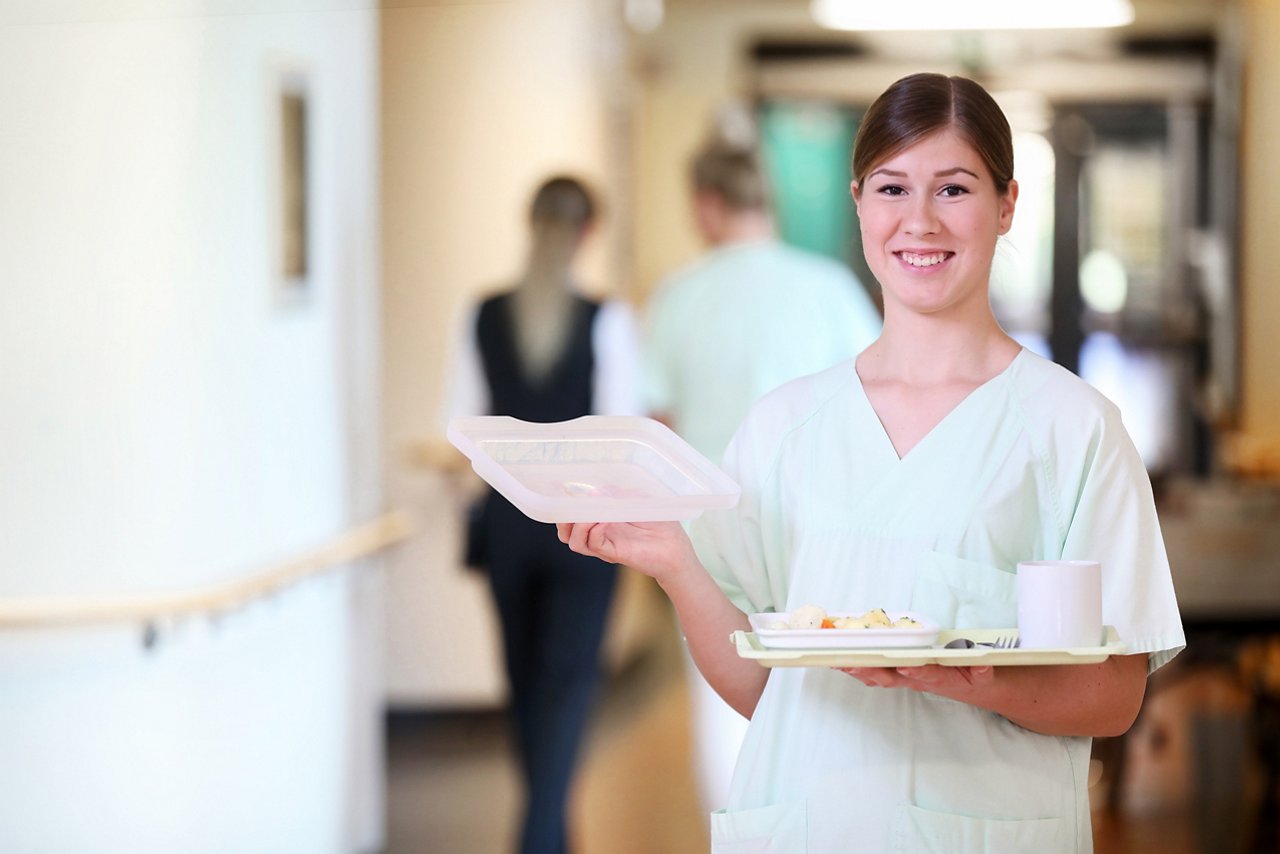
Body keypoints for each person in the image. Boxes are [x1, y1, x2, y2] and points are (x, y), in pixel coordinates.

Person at [557, 73, 1185, 852]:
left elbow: (1114, 697)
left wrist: (973, 680)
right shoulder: (785, 426)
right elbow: (765, 689)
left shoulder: (1072, 430)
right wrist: (675, 564)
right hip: (803, 827)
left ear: (1008, 205)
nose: (918, 221)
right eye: (892, 188)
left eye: (953, 189)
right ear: (858, 202)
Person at [643, 133, 882, 813]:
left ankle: (743, 830)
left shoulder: (675, 297)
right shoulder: (828, 287)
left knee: (721, 695)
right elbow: (878, 405)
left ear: (706, 204)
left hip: (706, 528)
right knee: (823, 685)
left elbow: (657, 425)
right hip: (818, 521)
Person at [443, 175, 642, 854]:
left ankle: (548, 834)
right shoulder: (605, 321)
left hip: (505, 531)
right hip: (585, 534)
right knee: (565, 690)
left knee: (527, 689)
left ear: (529, 223)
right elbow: (624, 434)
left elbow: (460, 429)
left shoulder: (481, 315)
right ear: (588, 233)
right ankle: (540, 838)